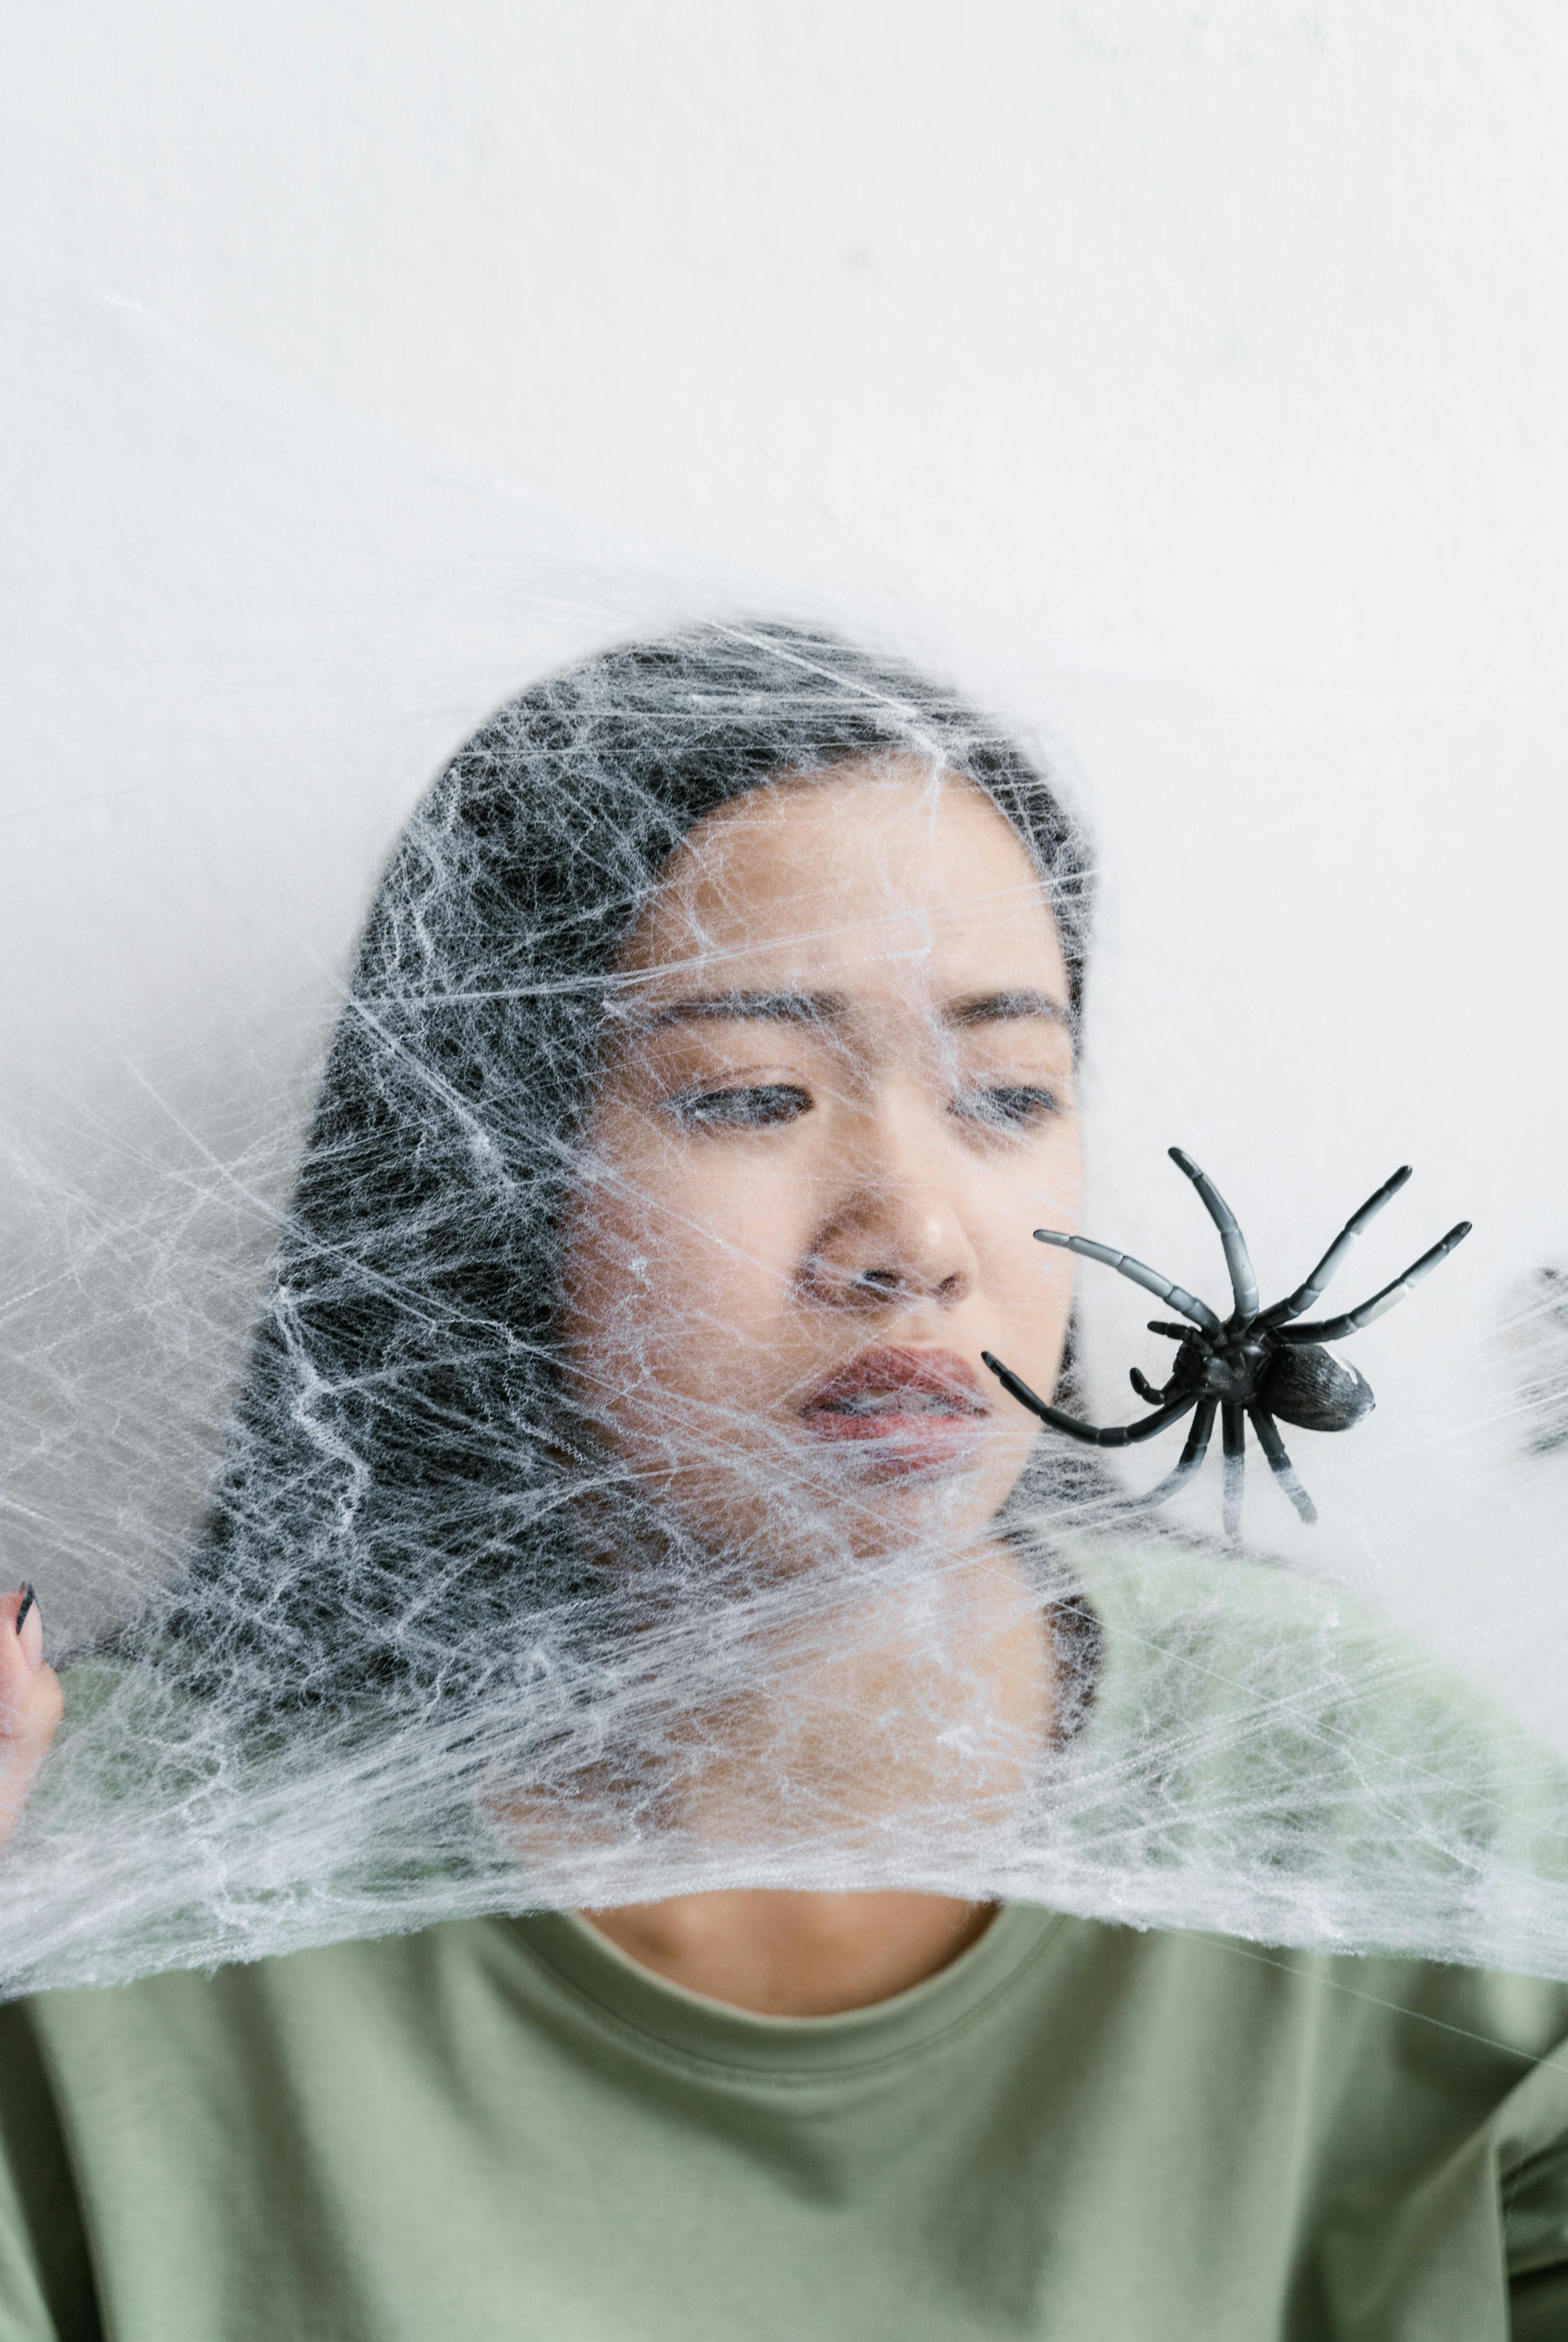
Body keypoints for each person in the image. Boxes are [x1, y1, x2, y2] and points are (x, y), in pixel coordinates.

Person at [2, 626, 1568, 2338]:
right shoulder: (101, 1863)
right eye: (754, 1096)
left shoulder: (1360, 1803)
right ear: (480, 1176)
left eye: (1008, 1093)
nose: (916, 1239)